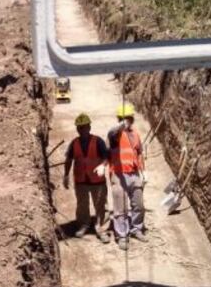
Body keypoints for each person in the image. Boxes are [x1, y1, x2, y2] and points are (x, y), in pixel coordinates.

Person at [62, 113, 111, 243]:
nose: (82, 130)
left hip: (97, 181)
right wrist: (66, 175)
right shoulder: (74, 143)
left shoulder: (98, 141)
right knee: (82, 205)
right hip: (81, 180)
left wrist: (103, 165)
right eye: (80, 127)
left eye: (85, 127)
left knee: (100, 205)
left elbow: (106, 157)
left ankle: (102, 229)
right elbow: (69, 159)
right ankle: (84, 224)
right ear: (77, 129)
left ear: (89, 127)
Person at [108, 103, 147, 250]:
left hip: (134, 174)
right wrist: (120, 126)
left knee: (139, 205)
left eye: (129, 118)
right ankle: (122, 235)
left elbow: (139, 154)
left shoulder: (136, 134)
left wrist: (143, 172)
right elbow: (111, 132)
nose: (127, 121)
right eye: (124, 119)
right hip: (118, 175)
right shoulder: (114, 135)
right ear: (119, 119)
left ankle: (137, 229)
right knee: (120, 208)